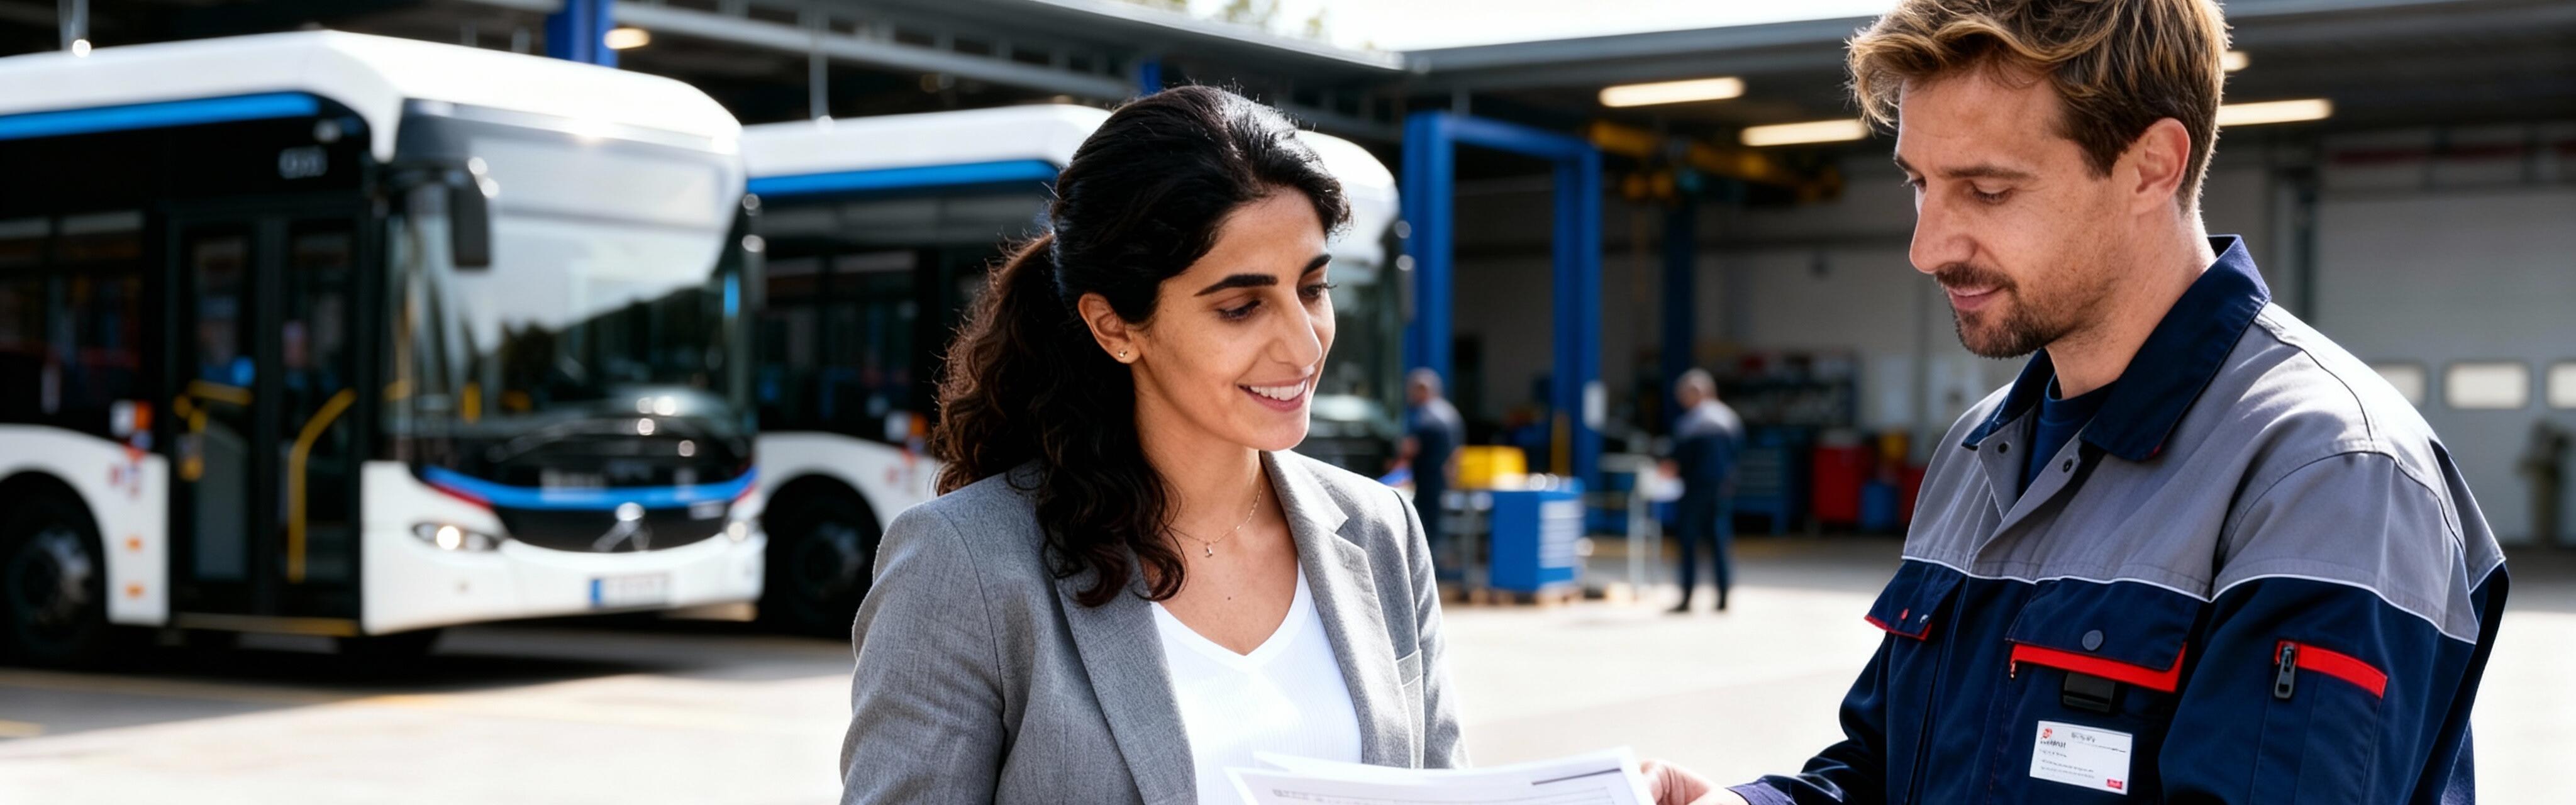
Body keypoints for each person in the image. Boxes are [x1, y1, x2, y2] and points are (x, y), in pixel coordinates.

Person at [1645, 1, 2506, 802]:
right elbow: (1884, 768)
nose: (1927, 246)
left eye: (1987, 191)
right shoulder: (1980, 451)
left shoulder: (2329, 477)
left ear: (2150, 167)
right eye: (1919, 184)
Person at [839, 86, 1467, 805]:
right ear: (1114, 327)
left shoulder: (1380, 529)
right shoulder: (965, 563)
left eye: (1313, 288)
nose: (1303, 343)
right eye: (1241, 306)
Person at [1664, 369, 1741, 614]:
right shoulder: (1728, 419)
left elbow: (1678, 461)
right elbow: (1736, 454)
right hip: (1721, 489)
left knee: (1688, 542)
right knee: (1719, 542)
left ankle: (1687, 597)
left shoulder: (1690, 424)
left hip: (1695, 490)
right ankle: (1722, 598)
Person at [1396, 368, 1465, 568]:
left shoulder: (1425, 417)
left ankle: (1430, 570)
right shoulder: (1450, 414)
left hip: (1427, 483)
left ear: (1422, 390)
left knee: (1425, 529)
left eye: (1413, 390)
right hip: (1444, 480)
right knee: (1438, 528)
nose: (1409, 395)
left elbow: (1410, 449)